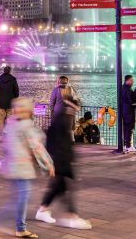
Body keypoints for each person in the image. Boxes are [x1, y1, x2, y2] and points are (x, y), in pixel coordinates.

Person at [0, 98, 55, 239]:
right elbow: (37, 148)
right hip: (22, 168)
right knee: (20, 200)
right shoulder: (26, 126)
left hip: (11, 167)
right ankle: (10, 227)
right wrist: (48, 164)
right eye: (20, 108)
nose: (21, 111)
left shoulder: (10, 124)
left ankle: (17, 227)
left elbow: (3, 146)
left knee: (18, 199)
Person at [35, 87, 91, 230]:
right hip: (61, 158)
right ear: (71, 106)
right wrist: (62, 159)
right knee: (65, 186)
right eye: (75, 108)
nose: (76, 110)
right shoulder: (62, 117)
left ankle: (42, 210)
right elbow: (58, 140)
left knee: (59, 187)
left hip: (61, 157)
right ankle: (72, 217)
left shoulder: (63, 116)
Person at [0, 66, 20, 140]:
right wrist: (15, 100)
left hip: (0, 102)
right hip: (10, 103)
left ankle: (0, 136)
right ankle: (9, 135)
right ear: (10, 71)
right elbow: (16, 91)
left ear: (3, 71)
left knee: (0, 120)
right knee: (10, 120)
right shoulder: (13, 79)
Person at [120, 75, 136, 153]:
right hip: (129, 112)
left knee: (125, 128)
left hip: (123, 111)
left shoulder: (122, 88)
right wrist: (135, 104)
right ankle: (128, 146)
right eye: (131, 80)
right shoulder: (128, 90)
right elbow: (131, 102)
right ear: (127, 81)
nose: (132, 82)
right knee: (129, 129)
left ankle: (124, 145)